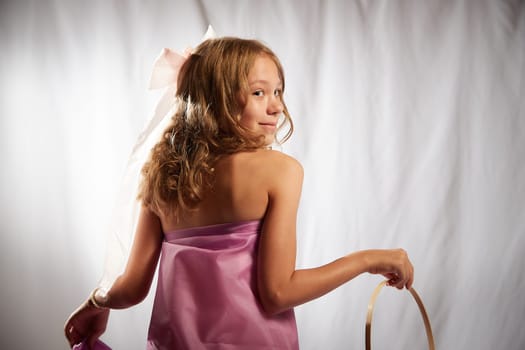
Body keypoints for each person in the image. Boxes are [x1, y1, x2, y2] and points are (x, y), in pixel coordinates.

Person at [64, 36, 414, 349]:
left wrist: (97, 302)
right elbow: (278, 294)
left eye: (278, 92)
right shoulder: (279, 171)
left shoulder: (162, 175)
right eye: (259, 92)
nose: (276, 106)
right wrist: (369, 259)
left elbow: (131, 288)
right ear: (217, 99)